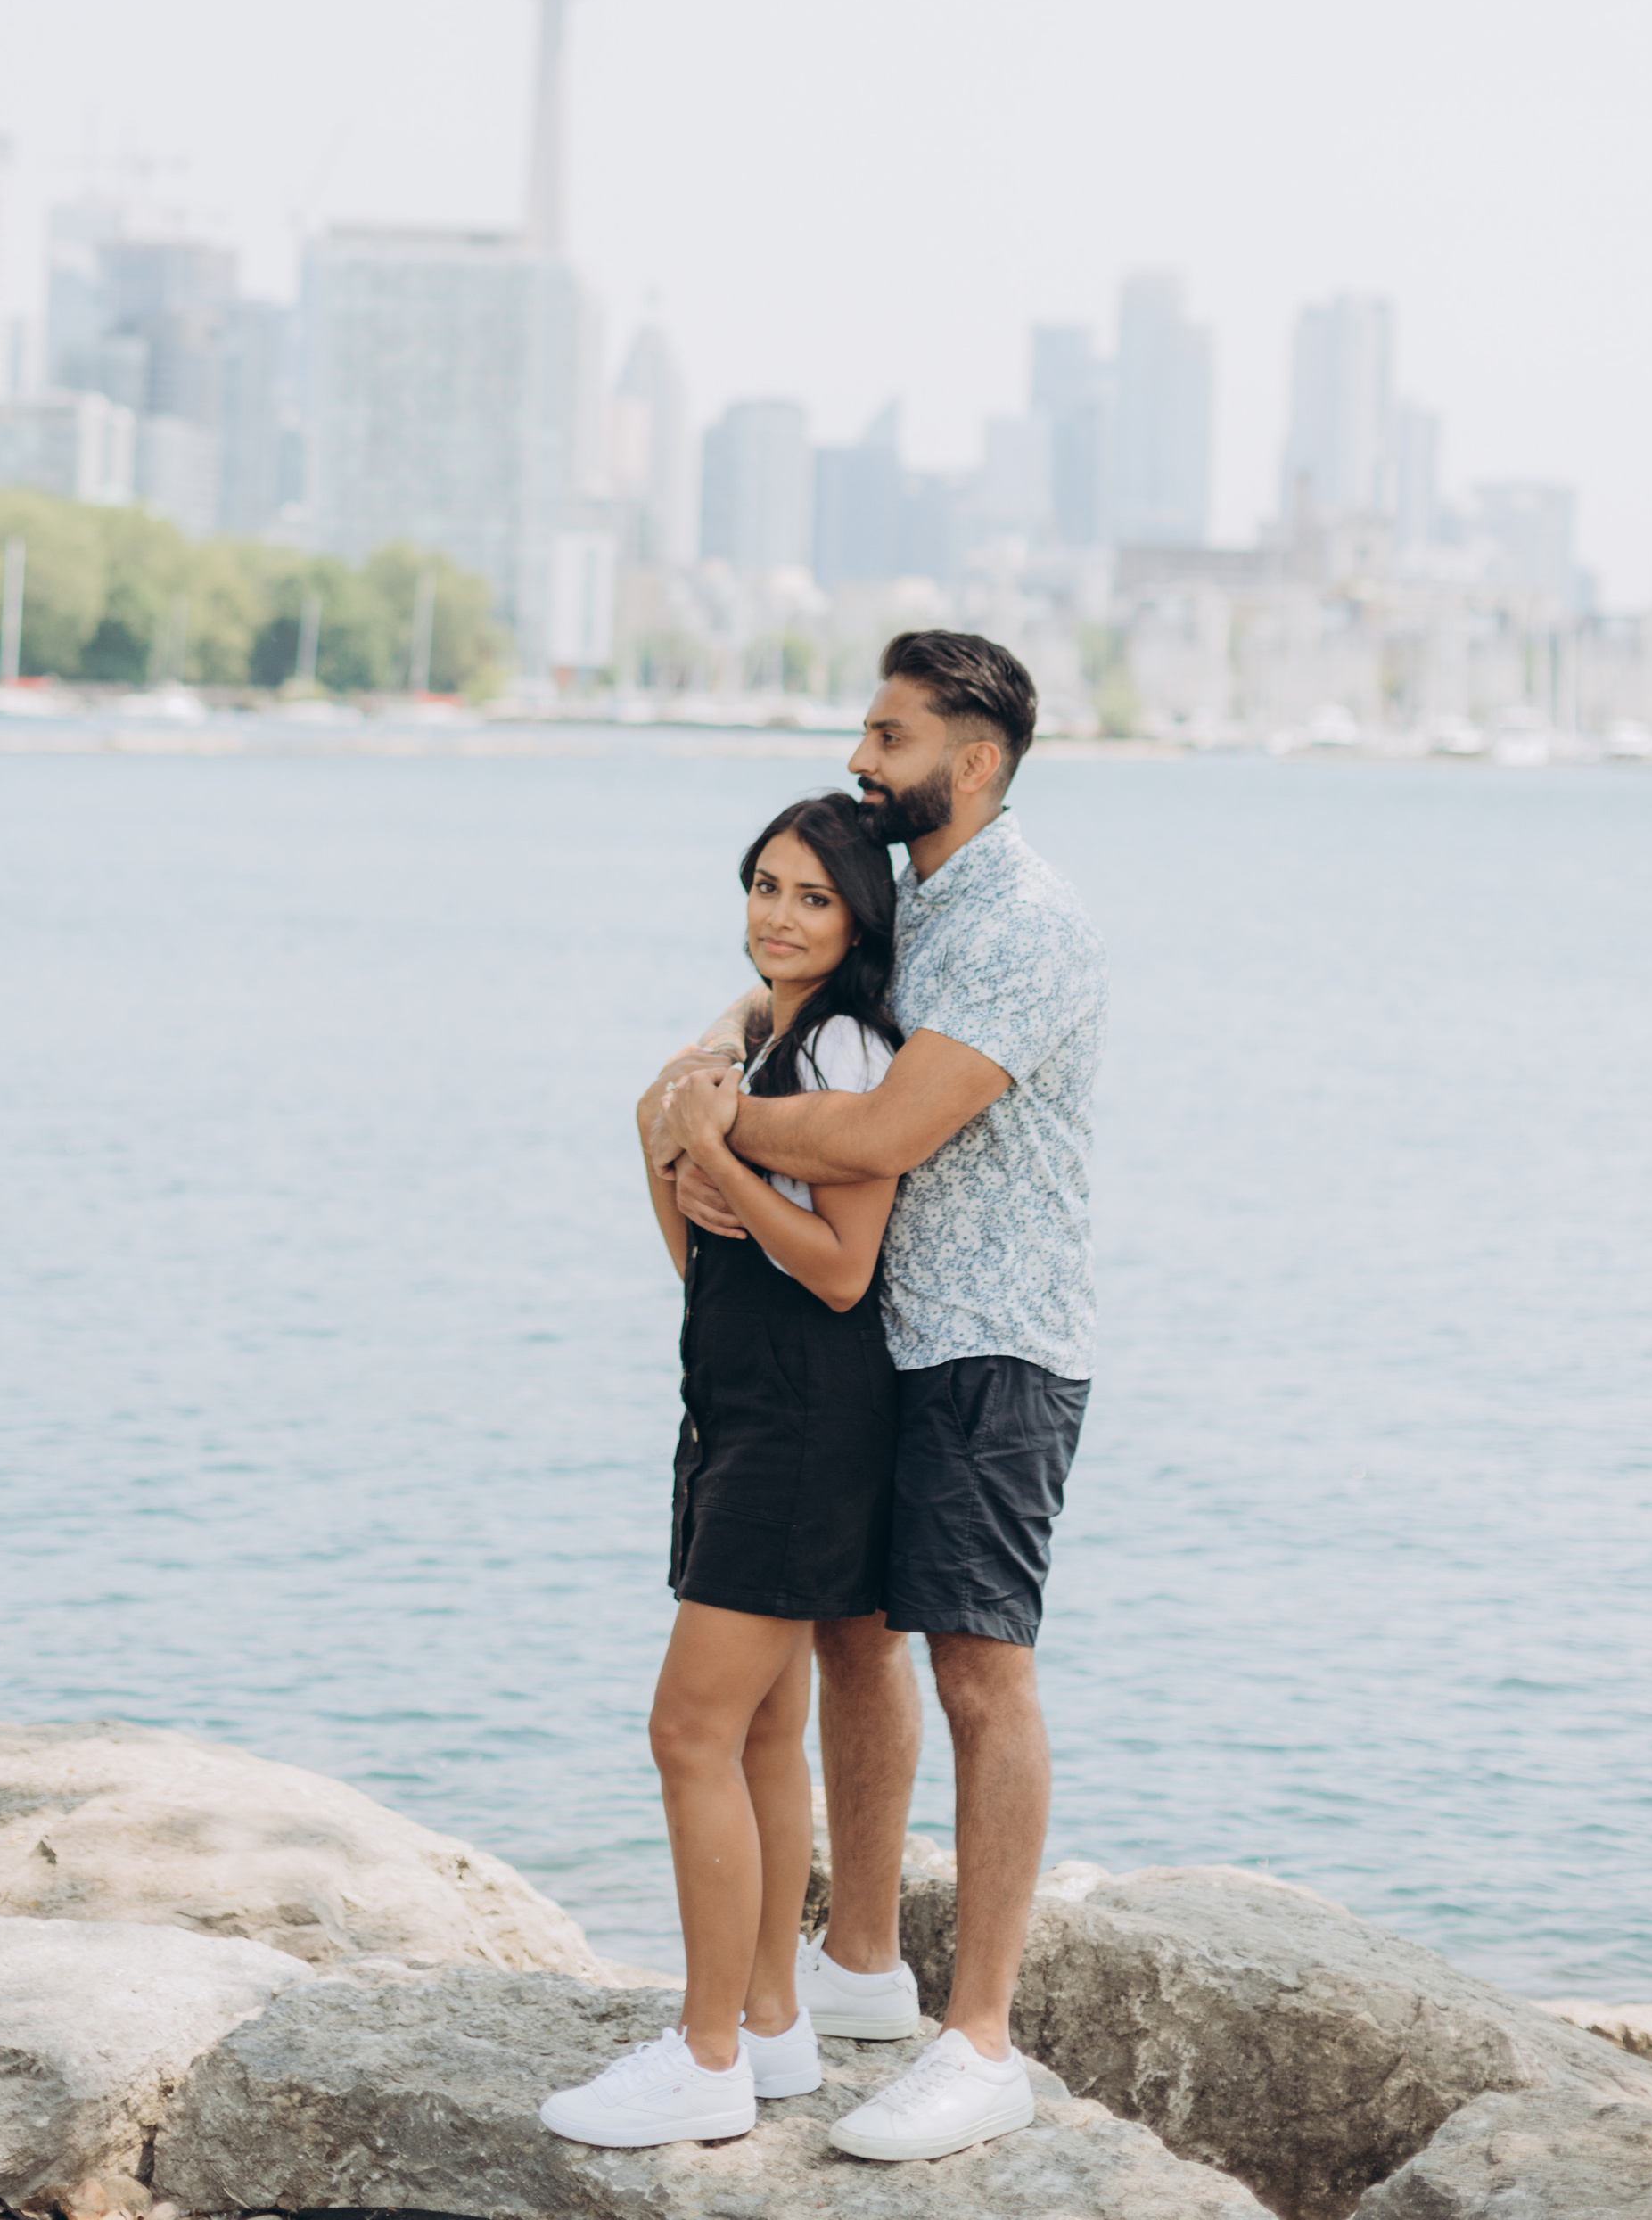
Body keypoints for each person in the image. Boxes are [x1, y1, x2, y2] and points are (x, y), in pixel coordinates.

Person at [653, 629, 1104, 2167]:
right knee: (852, 1641)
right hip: (873, 1347)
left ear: (972, 763)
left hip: (992, 1340)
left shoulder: (1025, 924)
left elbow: (887, 1131)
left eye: (890, 737)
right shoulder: (913, 896)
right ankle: (858, 1966)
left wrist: (717, 1127)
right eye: (864, 730)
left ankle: (980, 2043)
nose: (861, 758)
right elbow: (802, 984)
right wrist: (719, 1047)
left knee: (982, 1672)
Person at [539, 795, 908, 2152]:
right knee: (756, 1730)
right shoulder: (753, 1040)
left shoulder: (850, 1046)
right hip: (737, 1406)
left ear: (859, 919)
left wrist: (711, 1150)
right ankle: (767, 2025)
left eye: (813, 896)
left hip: (807, 1426)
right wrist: (678, 1158)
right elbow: (703, 1258)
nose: (780, 915)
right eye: (765, 886)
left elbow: (844, 1269)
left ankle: (704, 2060)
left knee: (687, 1731)